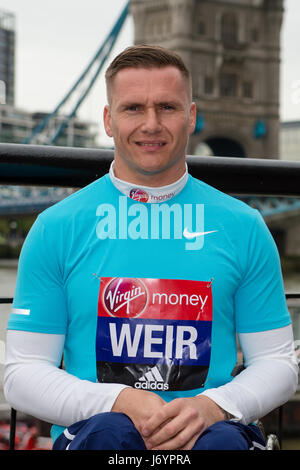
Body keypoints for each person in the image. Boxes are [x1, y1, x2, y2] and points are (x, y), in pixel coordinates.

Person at [4, 45, 298, 451]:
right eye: (133, 109)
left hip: (211, 435)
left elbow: (278, 362)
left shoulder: (243, 228)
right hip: (100, 435)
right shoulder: (56, 228)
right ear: (108, 120)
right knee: (111, 436)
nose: (151, 124)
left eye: (167, 107)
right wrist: (119, 401)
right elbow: (21, 373)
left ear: (191, 116)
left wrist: (214, 406)